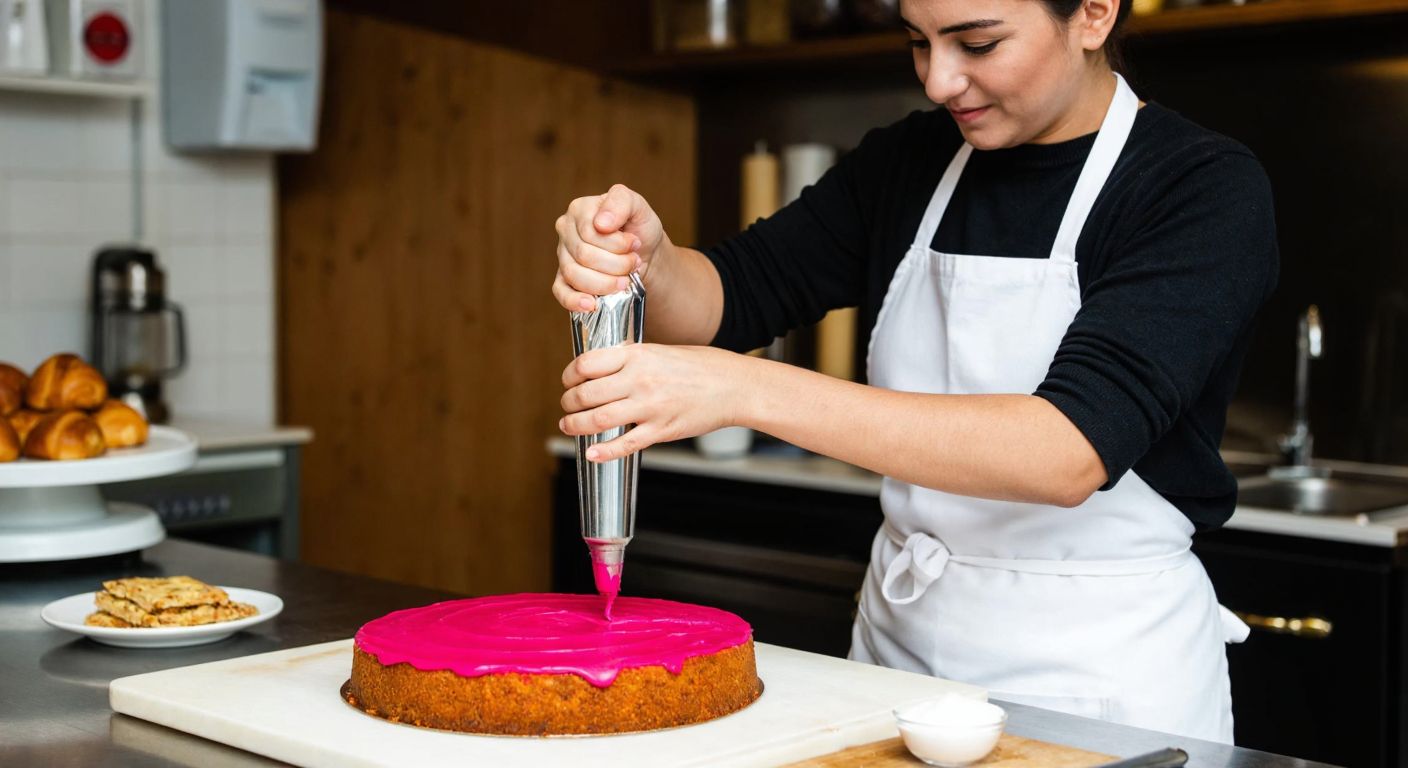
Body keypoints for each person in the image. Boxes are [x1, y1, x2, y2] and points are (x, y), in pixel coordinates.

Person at [552, 0, 1277, 743]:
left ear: (1092, 14)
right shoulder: (912, 161)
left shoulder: (1200, 187)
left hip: (1098, 681)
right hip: (897, 666)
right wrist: (650, 259)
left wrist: (743, 388)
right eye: (918, 42)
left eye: (977, 43)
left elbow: (1066, 452)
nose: (938, 80)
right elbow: (729, 298)